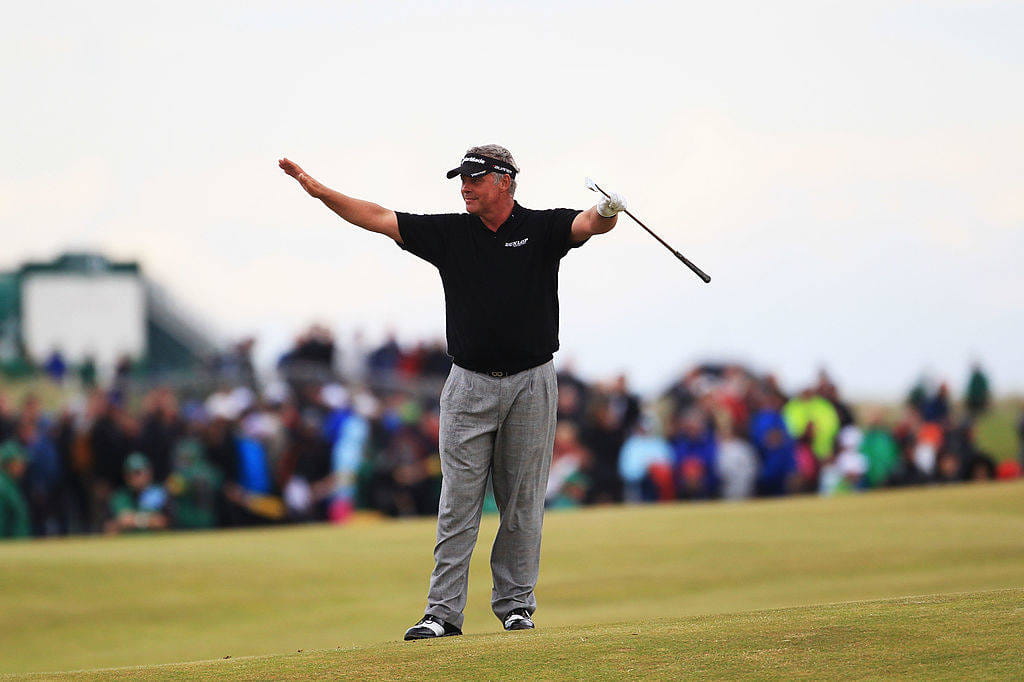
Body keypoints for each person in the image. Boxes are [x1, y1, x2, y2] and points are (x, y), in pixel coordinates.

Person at [280, 145, 625, 640]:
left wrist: (609, 210)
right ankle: (442, 613)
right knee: (457, 502)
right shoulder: (450, 233)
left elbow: (587, 225)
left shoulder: (541, 228)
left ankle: (516, 605)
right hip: (467, 385)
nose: (464, 186)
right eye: (461, 178)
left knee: (522, 501)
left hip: (532, 382)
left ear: (504, 181)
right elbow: (377, 217)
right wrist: (318, 191)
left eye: (475, 178)